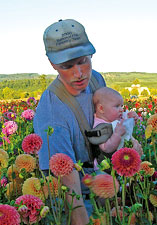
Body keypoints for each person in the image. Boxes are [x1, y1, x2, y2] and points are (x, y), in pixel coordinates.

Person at [33, 19, 106, 225]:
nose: (79, 73)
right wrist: (80, 215)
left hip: (102, 179)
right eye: (67, 66)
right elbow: (67, 177)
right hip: (76, 196)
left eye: (83, 60)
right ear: (53, 64)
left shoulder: (96, 80)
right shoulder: (52, 113)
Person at [92, 87, 143, 169]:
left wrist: (132, 119)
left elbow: (127, 125)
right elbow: (106, 148)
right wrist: (117, 134)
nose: (121, 110)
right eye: (117, 106)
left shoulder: (115, 118)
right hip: (105, 169)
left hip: (122, 163)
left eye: (121, 106)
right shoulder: (99, 127)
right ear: (101, 109)